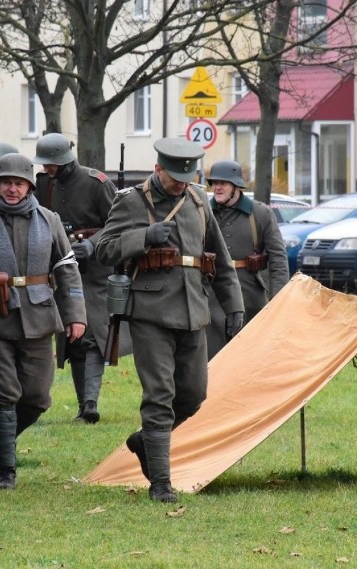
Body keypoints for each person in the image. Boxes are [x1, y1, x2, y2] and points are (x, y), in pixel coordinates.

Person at [95, 138, 244, 502]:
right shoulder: (131, 200)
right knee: (160, 396)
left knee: (193, 396)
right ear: (158, 168)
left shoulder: (196, 201)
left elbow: (219, 260)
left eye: (186, 176)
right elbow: (104, 249)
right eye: (175, 176)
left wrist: (235, 307)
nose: (180, 183)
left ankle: (146, 442)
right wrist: (142, 236)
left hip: (194, 310)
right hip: (151, 313)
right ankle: (161, 483)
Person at [0, 153, 87, 490]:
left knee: (38, 397)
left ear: (29, 186)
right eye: (6, 183)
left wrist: (76, 315)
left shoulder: (49, 220)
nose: (12, 189)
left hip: (39, 316)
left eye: (19, 183)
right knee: (3, 395)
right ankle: (7, 472)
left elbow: (66, 270)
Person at [33, 133, 118, 424]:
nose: (47, 170)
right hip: (60, 266)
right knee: (72, 337)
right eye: (44, 165)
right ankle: (83, 404)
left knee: (91, 335)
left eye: (51, 165)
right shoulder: (43, 184)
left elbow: (118, 223)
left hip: (95, 270)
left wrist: (93, 245)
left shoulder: (98, 183)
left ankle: (90, 403)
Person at [205, 160, 289, 359]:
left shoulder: (261, 214)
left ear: (236, 186)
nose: (217, 187)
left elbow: (278, 260)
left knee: (249, 358)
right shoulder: (204, 214)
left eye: (223, 183)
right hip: (211, 296)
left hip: (249, 296)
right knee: (211, 359)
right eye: (214, 182)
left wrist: (278, 301)